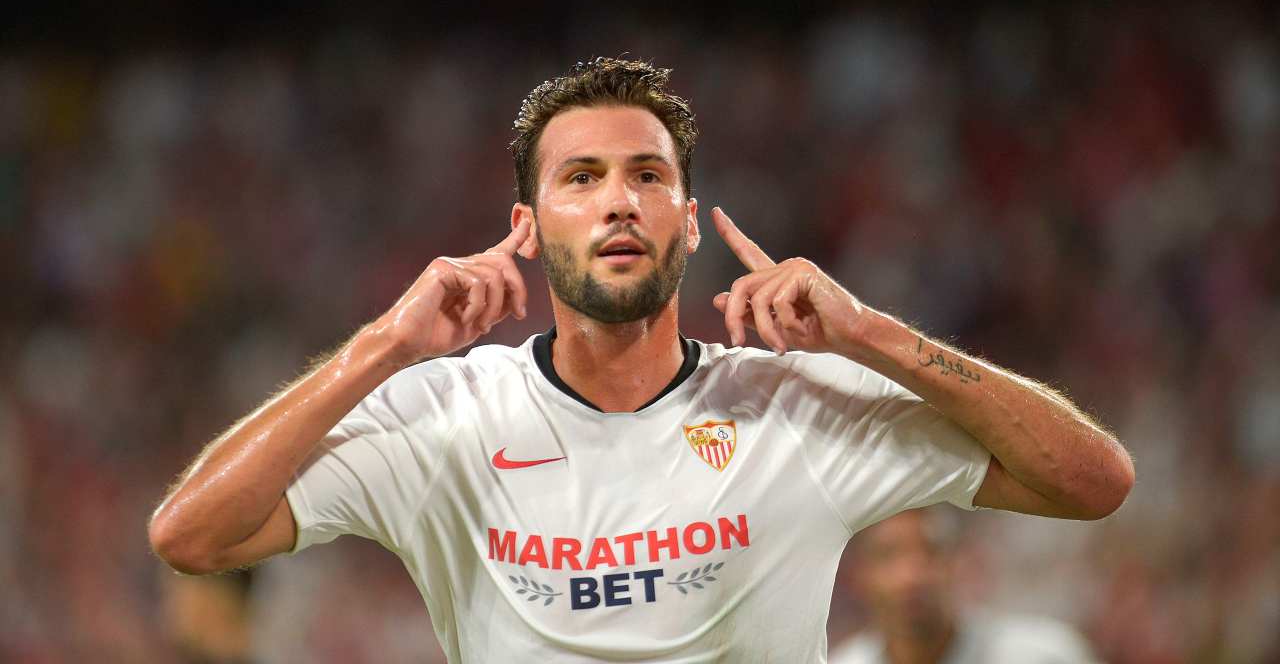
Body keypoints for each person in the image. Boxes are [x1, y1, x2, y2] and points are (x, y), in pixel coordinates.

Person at [148, 57, 1135, 662]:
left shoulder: (796, 405)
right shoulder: (441, 413)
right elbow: (191, 537)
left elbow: (1091, 483)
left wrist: (872, 335)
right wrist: (378, 348)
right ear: (527, 229)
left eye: (647, 176)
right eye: (582, 178)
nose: (619, 200)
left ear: (689, 224)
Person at [828, 507, 1099, 664]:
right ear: (859, 575)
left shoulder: (1042, 655)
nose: (912, 575)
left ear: (956, 562)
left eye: (930, 551)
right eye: (888, 555)